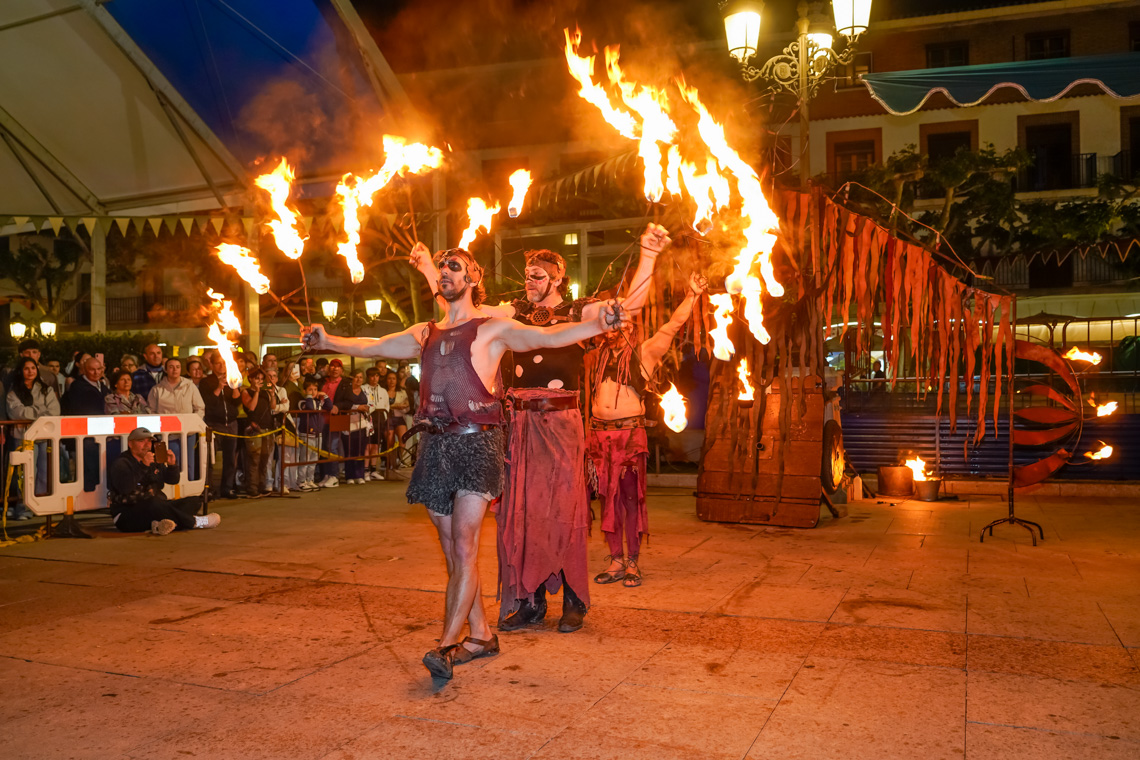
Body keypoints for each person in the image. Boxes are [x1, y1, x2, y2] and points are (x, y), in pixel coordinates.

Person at [302, 246, 627, 681]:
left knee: (464, 546)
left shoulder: (492, 329)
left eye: (454, 266)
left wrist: (595, 322)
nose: (444, 272)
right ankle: (481, 634)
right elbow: (375, 346)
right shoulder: (425, 332)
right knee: (455, 555)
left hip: (478, 445)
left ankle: (446, 645)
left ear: (472, 277)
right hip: (436, 448)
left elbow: (549, 337)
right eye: (440, 267)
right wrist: (328, 341)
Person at [409, 227, 664, 634]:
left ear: (558, 277)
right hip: (520, 426)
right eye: (527, 274)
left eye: (539, 274)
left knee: (563, 511)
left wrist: (648, 255)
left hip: (562, 426)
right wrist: (428, 267)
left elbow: (625, 306)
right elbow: (462, 304)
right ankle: (529, 602)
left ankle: (573, 600)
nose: (530, 280)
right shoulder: (512, 313)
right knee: (520, 514)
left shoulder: (578, 311)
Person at [589, 273, 706, 589]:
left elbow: (671, 326)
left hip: (628, 437)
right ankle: (615, 559)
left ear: (631, 326)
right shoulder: (594, 356)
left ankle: (632, 562)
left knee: (630, 499)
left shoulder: (645, 353)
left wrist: (692, 295)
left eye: (621, 322)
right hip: (599, 437)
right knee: (606, 500)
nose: (615, 328)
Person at [107, 427, 220, 535]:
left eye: (149, 441)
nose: (146, 445)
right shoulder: (121, 463)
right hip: (128, 514)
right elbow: (126, 488)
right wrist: (143, 466)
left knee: (193, 502)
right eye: (141, 441)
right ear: (130, 444)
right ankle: (196, 522)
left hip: (155, 507)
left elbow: (172, 480)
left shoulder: (153, 459)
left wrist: (172, 465)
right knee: (154, 503)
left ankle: (158, 525)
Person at [6, 357, 60, 519]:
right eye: (26, 368)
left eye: (33, 368)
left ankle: (41, 504)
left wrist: (31, 411)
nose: (30, 372)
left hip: (44, 436)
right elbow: (16, 413)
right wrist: (40, 410)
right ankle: (23, 507)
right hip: (23, 437)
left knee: (44, 471)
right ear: (21, 371)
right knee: (25, 473)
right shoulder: (14, 391)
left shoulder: (46, 389)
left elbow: (54, 411)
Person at [199, 351, 243, 499]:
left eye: (224, 363)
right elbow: (208, 403)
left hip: (231, 424)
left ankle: (227, 488)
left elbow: (237, 402)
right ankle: (209, 488)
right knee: (210, 458)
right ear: (211, 364)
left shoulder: (231, 379)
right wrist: (219, 386)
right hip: (214, 424)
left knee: (230, 458)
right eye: (218, 363)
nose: (221, 366)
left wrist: (234, 385)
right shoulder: (206, 382)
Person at [240, 368, 276, 497]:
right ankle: (252, 488)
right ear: (251, 379)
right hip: (254, 428)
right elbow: (251, 407)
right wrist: (256, 392)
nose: (259, 381)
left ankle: (261, 485)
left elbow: (273, 407)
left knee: (264, 459)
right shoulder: (246, 391)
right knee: (254, 459)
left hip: (268, 428)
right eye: (257, 379)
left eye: (261, 379)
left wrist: (271, 394)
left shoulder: (266, 392)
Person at [334, 370, 373, 484]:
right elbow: (340, 403)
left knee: (360, 449)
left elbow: (371, 402)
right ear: (352, 378)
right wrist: (356, 407)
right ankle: (349, 476)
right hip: (348, 423)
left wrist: (366, 408)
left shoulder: (365, 390)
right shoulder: (346, 390)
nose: (358, 379)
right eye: (356, 377)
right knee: (349, 449)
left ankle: (359, 475)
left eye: (361, 377)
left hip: (362, 423)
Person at [295, 379, 331, 491]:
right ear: (305, 390)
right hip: (307, 434)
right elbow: (310, 408)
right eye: (310, 390)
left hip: (318, 434)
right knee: (305, 459)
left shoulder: (319, 402)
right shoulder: (303, 402)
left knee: (314, 459)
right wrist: (309, 396)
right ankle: (301, 481)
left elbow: (329, 407)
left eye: (315, 389)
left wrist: (325, 396)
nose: (313, 392)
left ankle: (310, 479)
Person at [263, 367, 293, 493]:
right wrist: (278, 406)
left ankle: (282, 483)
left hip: (282, 426)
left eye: (274, 376)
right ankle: (268, 482)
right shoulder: (263, 391)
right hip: (268, 426)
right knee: (268, 457)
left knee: (284, 456)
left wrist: (277, 406)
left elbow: (285, 407)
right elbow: (269, 409)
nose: (271, 378)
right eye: (268, 376)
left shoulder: (282, 390)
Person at [362, 367, 389, 480]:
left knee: (376, 444)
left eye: (377, 376)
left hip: (379, 419)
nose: (374, 378)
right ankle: (365, 470)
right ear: (368, 377)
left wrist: (384, 417)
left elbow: (387, 405)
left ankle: (373, 469)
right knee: (367, 445)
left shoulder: (383, 390)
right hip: (368, 418)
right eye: (372, 376)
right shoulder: (363, 389)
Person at [382, 369, 409, 472]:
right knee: (390, 441)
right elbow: (382, 405)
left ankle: (398, 459)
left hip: (399, 417)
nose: (391, 381)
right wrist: (395, 406)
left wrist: (403, 407)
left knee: (403, 438)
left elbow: (407, 407)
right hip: (387, 418)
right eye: (389, 379)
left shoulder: (402, 392)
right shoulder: (383, 391)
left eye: (394, 379)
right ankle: (391, 462)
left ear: (397, 380)